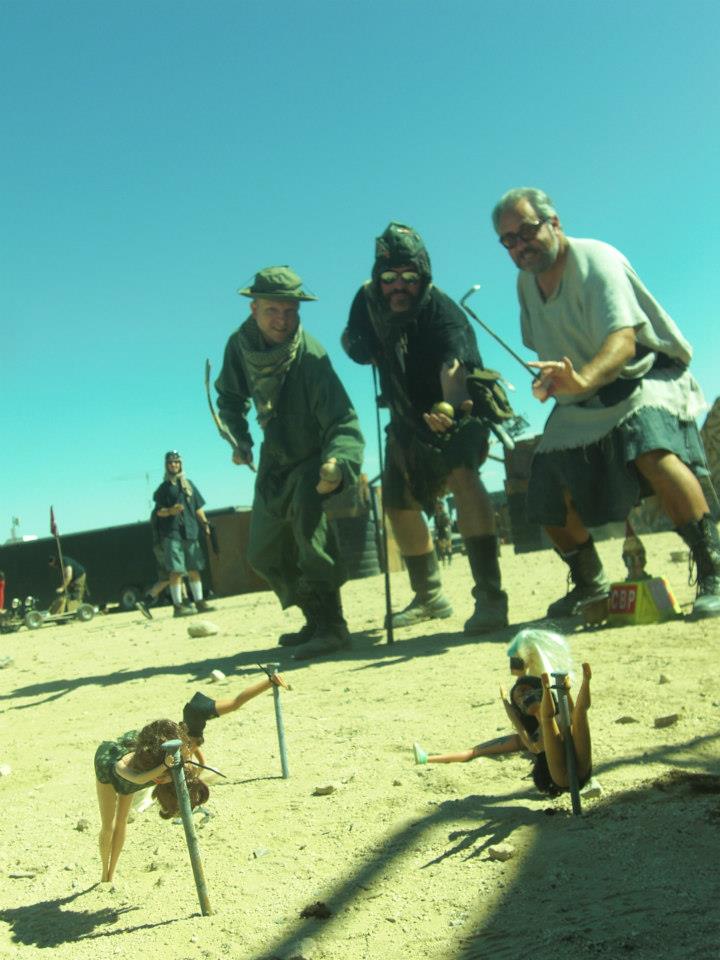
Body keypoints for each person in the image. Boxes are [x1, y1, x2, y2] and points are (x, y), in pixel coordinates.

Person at [492, 187, 720, 620]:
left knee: (651, 448)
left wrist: (582, 378)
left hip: (644, 375)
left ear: (554, 223)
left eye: (527, 231)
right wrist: (553, 382)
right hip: (586, 396)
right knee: (540, 481)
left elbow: (623, 342)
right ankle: (588, 582)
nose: (520, 245)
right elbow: (549, 346)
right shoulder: (525, 284)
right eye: (509, 240)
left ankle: (714, 567)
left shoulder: (597, 260)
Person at [342, 221, 508, 634]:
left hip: (457, 411)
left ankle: (490, 599)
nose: (398, 285)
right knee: (398, 503)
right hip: (404, 417)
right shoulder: (366, 300)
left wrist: (449, 410)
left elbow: (456, 372)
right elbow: (352, 340)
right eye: (389, 277)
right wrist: (364, 348)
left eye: (409, 276)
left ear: (424, 275)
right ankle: (430, 597)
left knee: (463, 478)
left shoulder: (443, 313)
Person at [215, 266, 365, 660]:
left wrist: (338, 462)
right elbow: (230, 398)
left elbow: (343, 418)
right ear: (254, 308)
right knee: (263, 551)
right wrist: (240, 438)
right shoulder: (239, 345)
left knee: (311, 540)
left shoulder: (310, 356)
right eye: (272, 311)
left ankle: (333, 627)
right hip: (274, 457)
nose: (282, 320)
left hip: (313, 458)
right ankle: (314, 618)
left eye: (290, 311)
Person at [413, 665, 593, 797]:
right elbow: (474, 751)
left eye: (526, 692)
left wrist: (565, 692)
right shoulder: (527, 737)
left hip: (582, 767)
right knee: (551, 720)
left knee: (578, 714)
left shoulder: (560, 717)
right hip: (561, 778)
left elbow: (574, 715)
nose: (525, 698)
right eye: (520, 699)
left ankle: (585, 681)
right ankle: (565, 688)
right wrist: (427, 759)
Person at [94, 718, 208, 882]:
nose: (161, 778)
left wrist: (175, 771)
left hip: (135, 780)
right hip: (109, 775)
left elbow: (190, 760)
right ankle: (104, 872)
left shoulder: (167, 765)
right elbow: (138, 779)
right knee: (108, 825)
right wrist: (163, 767)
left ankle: (111, 874)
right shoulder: (123, 765)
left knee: (122, 820)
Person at [152, 451, 215, 618]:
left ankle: (200, 602)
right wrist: (170, 511)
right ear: (166, 465)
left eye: (176, 462)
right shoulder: (163, 489)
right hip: (172, 534)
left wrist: (205, 524)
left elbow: (198, 507)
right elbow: (159, 512)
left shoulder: (189, 485)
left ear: (180, 464)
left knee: (195, 568)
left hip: (191, 532)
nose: (174, 465)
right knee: (176, 571)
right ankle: (178, 606)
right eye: (170, 462)